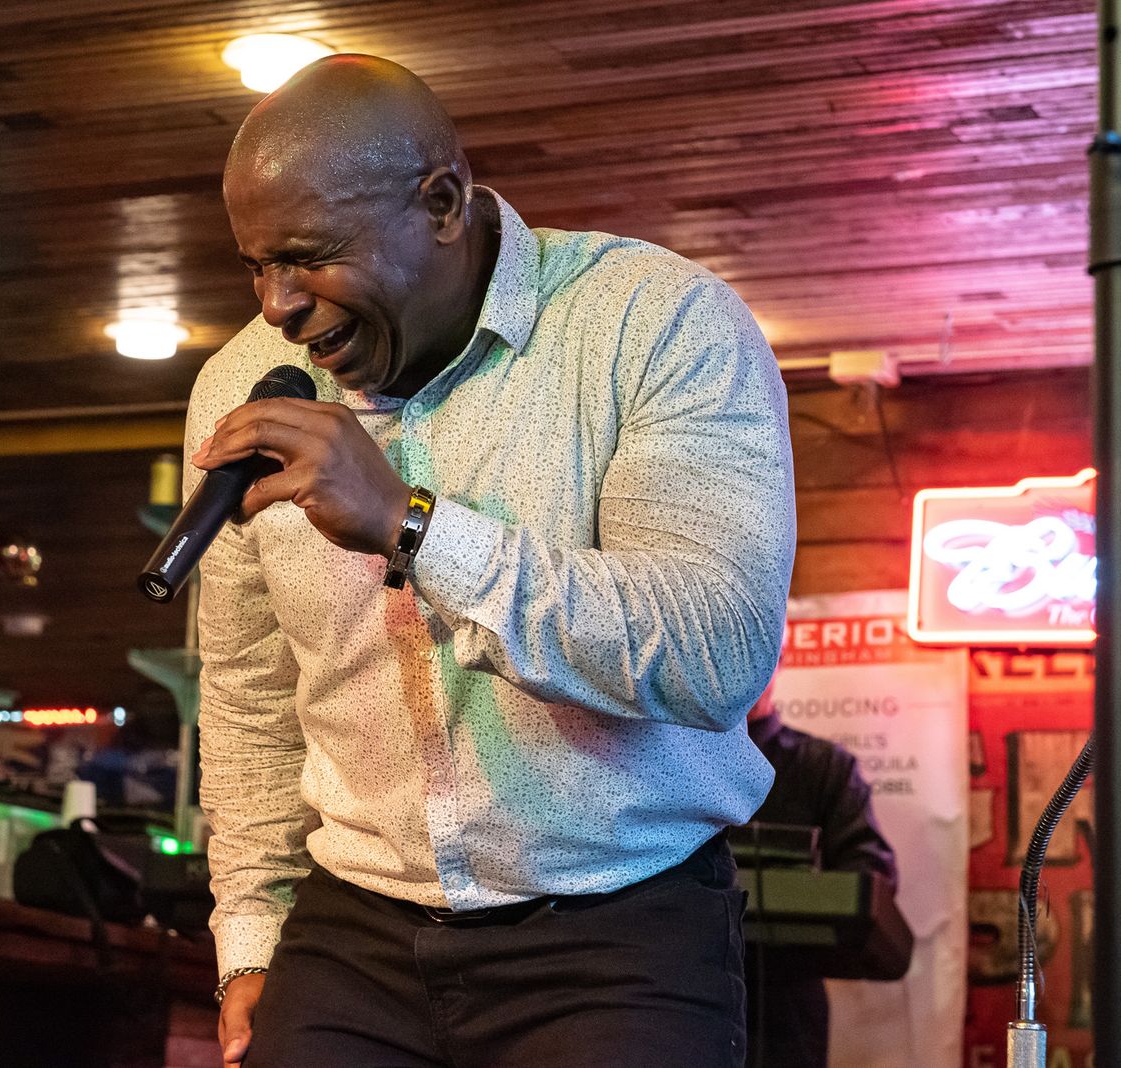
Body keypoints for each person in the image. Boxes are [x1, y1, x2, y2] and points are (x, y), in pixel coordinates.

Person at [186, 55, 796, 1068]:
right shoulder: (240, 385)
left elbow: (712, 649)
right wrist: (248, 934)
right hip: (354, 928)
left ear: (441, 203)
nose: (278, 305)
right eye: (256, 265)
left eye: (308, 257)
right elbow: (251, 690)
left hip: (617, 925)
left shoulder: (652, 323)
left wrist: (411, 526)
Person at [742, 676, 902, 1068]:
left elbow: (870, 873)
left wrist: (799, 891)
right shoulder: (677, 765)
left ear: (776, 662)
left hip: (785, 1007)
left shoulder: (824, 765)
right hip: (683, 993)